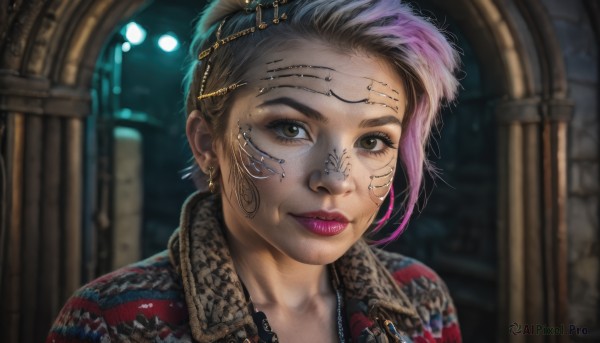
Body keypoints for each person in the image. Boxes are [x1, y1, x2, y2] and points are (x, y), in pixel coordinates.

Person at [46, 0, 461, 342]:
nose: (335, 179)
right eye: (290, 128)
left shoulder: (421, 298)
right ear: (207, 143)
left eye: (373, 141)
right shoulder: (111, 323)